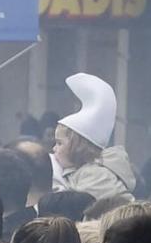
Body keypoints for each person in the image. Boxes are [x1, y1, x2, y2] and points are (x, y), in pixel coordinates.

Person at [52, 73, 136, 205]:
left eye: (59, 143)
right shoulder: (85, 171)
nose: (54, 148)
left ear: (78, 146)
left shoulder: (94, 176)